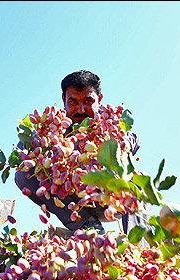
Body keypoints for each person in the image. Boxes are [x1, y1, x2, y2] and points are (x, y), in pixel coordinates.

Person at [14, 70, 141, 234]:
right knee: (23, 173)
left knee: (136, 178)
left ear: (99, 100)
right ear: (64, 101)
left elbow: (133, 138)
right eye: (73, 102)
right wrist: (35, 150)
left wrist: (120, 146)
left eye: (88, 101)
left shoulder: (108, 123)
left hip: (107, 199)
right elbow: (21, 154)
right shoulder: (53, 128)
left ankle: (138, 240)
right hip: (73, 202)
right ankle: (89, 227)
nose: (81, 110)